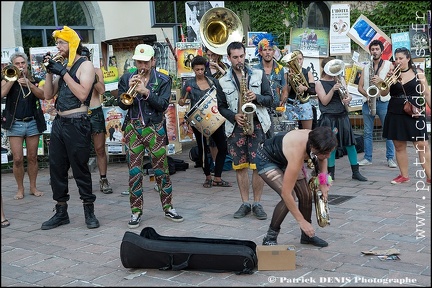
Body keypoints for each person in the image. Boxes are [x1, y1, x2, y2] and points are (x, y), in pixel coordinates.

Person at [118, 44, 183, 229]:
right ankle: (136, 211)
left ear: (153, 61)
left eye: (146, 62)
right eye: (139, 62)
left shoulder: (163, 79)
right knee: (134, 173)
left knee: (161, 170)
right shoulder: (126, 78)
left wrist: (146, 92)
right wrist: (129, 88)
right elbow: (122, 105)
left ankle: (168, 206)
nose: (142, 66)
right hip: (133, 128)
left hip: (154, 128)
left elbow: (162, 105)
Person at [41, 26, 100, 230]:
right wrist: (50, 72)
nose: (58, 46)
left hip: (77, 123)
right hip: (59, 123)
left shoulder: (85, 66)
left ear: (72, 44)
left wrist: (64, 73)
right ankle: (61, 211)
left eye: (61, 42)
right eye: (57, 43)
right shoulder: (62, 66)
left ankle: (89, 210)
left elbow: (83, 94)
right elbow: (48, 95)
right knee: (56, 168)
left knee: (80, 168)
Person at [215, 41, 273, 220]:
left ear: (245, 55)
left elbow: (271, 99)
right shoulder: (222, 81)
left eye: (241, 56)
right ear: (229, 58)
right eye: (235, 57)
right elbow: (221, 107)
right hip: (236, 127)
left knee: (258, 166)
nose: (239, 60)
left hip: (257, 124)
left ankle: (257, 203)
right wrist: (233, 116)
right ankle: (245, 203)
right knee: (240, 167)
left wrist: (256, 97)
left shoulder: (258, 74)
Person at [257, 126, 338, 247]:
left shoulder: (319, 139)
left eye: (330, 151)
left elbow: (323, 159)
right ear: (314, 149)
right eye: (326, 153)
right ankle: (270, 237)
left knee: (305, 194)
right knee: (289, 197)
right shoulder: (298, 153)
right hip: (267, 158)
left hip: (286, 157)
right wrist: (302, 222)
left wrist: (323, 183)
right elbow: (286, 193)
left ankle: (307, 237)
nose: (328, 155)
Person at [178, 55, 231, 188]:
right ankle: (208, 177)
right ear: (193, 69)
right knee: (203, 149)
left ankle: (218, 177)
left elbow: (221, 99)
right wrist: (182, 101)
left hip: (215, 118)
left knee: (223, 147)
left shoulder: (213, 82)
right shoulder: (189, 84)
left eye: (202, 69)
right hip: (198, 120)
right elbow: (181, 101)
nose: (200, 72)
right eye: (197, 70)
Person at [381, 47, 431, 184]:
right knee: (399, 145)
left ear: (408, 58)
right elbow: (383, 94)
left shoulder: (418, 73)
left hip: (414, 111)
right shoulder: (392, 74)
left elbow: (426, 93)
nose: (398, 61)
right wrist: (387, 80)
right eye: (396, 58)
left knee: (422, 144)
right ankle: (404, 175)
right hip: (395, 110)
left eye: (400, 58)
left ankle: (430, 176)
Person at [1, 51, 46, 200]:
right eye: (17, 64)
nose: (21, 66)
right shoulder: (7, 78)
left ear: (26, 64)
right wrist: (12, 80)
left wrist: (29, 84)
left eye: (23, 63)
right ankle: (20, 189)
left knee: (33, 157)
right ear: (12, 65)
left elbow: (43, 95)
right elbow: (1, 94)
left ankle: (33, 187)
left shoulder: (34, 79)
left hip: (32, 122)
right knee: (18, 158)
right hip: (15, 123)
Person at [315, 57, 367, 182]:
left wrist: (347, 98)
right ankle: (331, 173)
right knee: (331, 146)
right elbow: (324, 101)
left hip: (342, 115)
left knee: (350, 144)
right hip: (329, 117)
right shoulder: (319, 83)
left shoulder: (340, 79)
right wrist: (333, 90)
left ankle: (356, 172)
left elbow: (347, 95)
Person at [357, 39, 397, 168]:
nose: (375, 51)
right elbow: (360, 87)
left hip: (384, 102)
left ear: (381, 51)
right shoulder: (366, 67)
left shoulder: (389, 65)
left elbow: (392, 82)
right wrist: (368, 95)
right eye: (372, 50)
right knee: (368, 132)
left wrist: (380, 81)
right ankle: (367, 158)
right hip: (368, 102)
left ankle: (390, 158)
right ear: (370, 51)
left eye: (377, 49)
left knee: (388, 131)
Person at [81, 46, 113, 194]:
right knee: (81, 150)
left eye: (86, 58)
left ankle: (103, 179)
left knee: (100, 149)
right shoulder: (73, 71)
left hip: (95, 111)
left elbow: (101, 90)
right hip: (80, 113)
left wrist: (92, 75)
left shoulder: (96, 71)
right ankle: (84, 182)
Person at [252, 33, 287, 139]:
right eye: (265, 50)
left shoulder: (281, 69)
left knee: (275, 140)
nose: (267, 52)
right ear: (260, 52)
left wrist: (283, 100)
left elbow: (284, 90)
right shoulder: (254, 70)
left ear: (274, 51)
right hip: (260, 109)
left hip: (275, 110)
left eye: (270, 49)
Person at [282, 50, 315, 130]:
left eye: (300, 59)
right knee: (291, 133)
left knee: (307, 132)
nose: (298, 61)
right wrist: (290, 80)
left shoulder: (307, 72)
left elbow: (313, 91)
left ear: (303, 59)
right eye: (296, 60)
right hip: (291, 104)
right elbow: (286, 92)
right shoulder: (287, 74)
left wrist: (305, 88)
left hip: (304, 104)